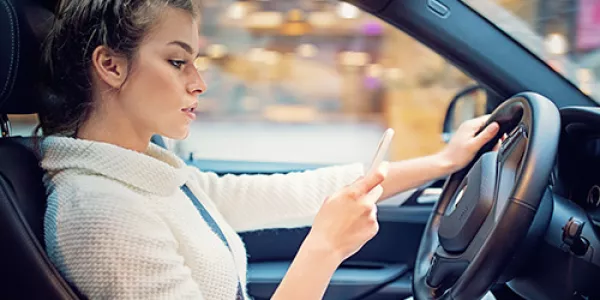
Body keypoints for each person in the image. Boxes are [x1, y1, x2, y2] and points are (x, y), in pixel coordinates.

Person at [37, 0, 501, 299]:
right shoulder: (99, 214)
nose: (198, 84)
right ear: (110, 65)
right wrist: (325, 247)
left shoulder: (152, 179)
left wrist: (443, 161)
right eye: (178, 62)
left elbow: (293, 192)